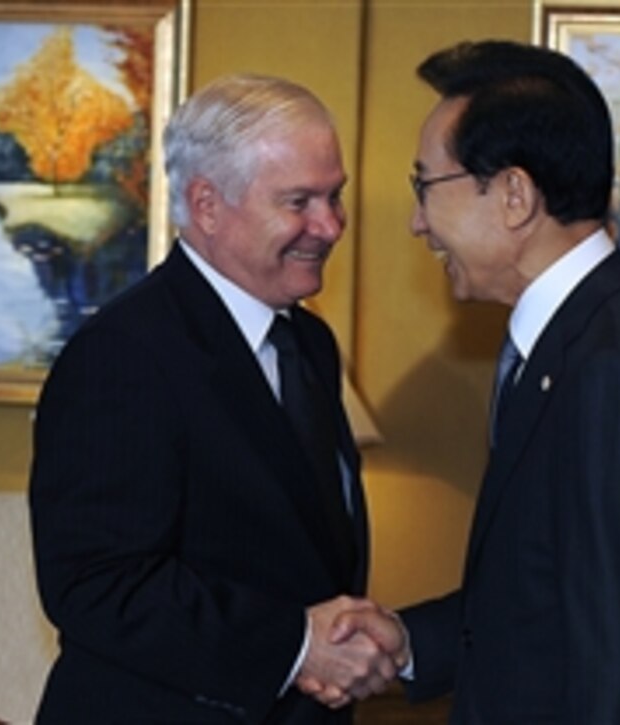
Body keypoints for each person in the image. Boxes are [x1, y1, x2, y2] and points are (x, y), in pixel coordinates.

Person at [331, 40, 620, 722]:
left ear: (514, 194)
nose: (417, 221)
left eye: (426, 186)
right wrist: (410, 641)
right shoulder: (573, 339)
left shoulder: (613, 364)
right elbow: (544, 600)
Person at [29, 74, 405, 724]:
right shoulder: (122, 353)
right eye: (299, 201)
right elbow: (96, 582)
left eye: (334, 196)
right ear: (206, 203)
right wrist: (296, 645)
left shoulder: (309, 342)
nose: (331, 225)